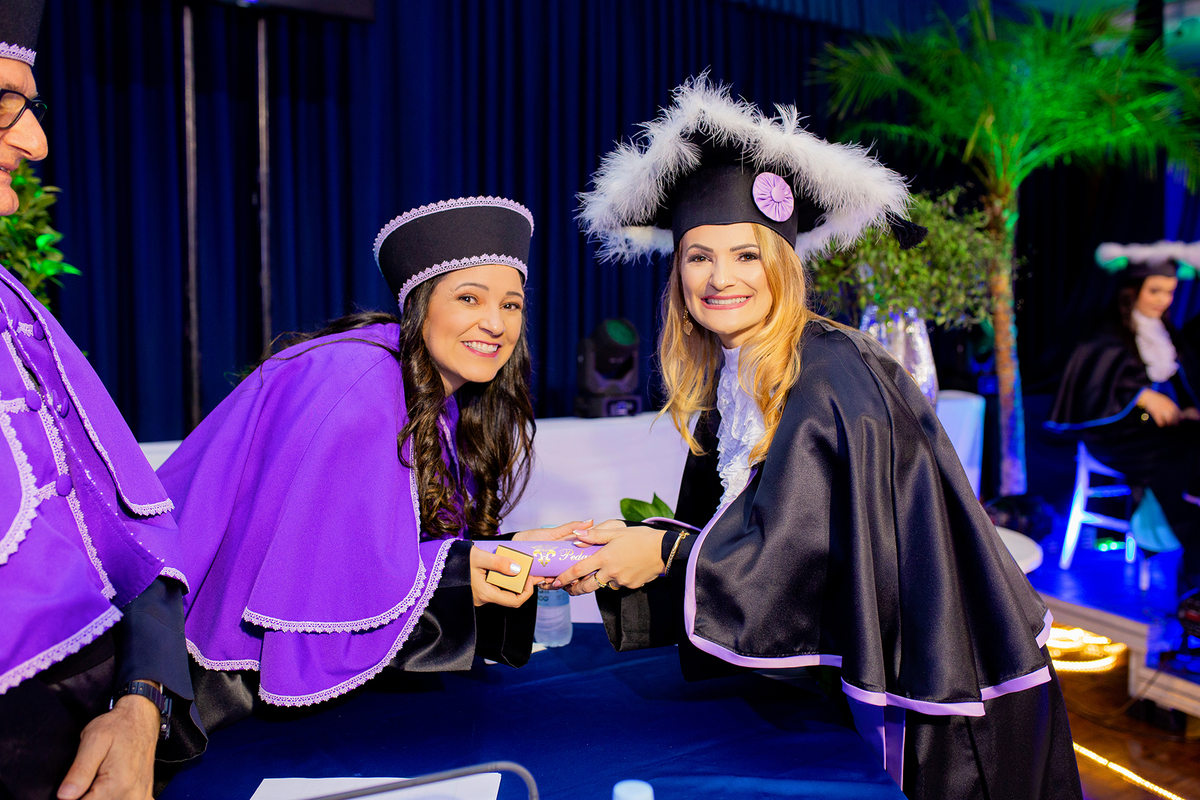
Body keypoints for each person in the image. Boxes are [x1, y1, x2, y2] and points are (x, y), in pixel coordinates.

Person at [560, 78, 1082, 799]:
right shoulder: (736, 375)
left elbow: (802, 554)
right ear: (676, 273)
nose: (720, 278)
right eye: (698, 257)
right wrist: (628, 547)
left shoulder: (832, 373)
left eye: (747, 256)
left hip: (938, 709)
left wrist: (665, 554)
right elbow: (746, 525)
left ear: (783, 265)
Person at [156, 197, 580, 726]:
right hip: (188, 676)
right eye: (470, 298)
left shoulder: (440, 398)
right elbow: (315, 577)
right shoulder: (359, 376)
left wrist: (510, 552)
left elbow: (375, 547)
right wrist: (463, 570)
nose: (495, 323)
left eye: (512, 305)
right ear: (420, 306)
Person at [0, 2, 206, 798]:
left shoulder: (19, 315)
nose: (35, 142)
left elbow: (132, 542)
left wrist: (140, 705)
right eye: (3, 106)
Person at [1049, 240, 1200, 587]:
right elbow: (1091, 386)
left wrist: (1187, 408)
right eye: (1156, 291)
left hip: (1157, 429)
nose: (1164, 300)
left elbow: (1179, 379)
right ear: (1134, 290)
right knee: (1183, 455)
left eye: (1170, 292)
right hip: (1114, 431)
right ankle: (1174, 540)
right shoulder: (1106, 331)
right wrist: (1142, 397)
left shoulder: (1165, 330)